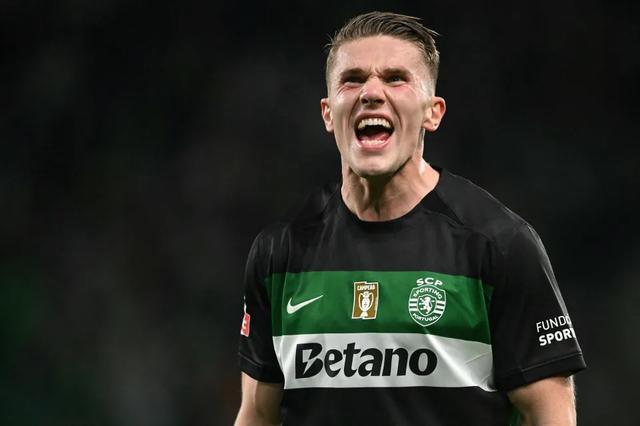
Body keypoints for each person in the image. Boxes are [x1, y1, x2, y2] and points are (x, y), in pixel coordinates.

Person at [235, 11, 586, 425]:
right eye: (353, 79)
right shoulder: (280, 251)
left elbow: (550, 414)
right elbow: (257, 413)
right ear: (328, 113)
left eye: (395, 78)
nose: (371, 92)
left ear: (432, 112)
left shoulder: (499, 245)